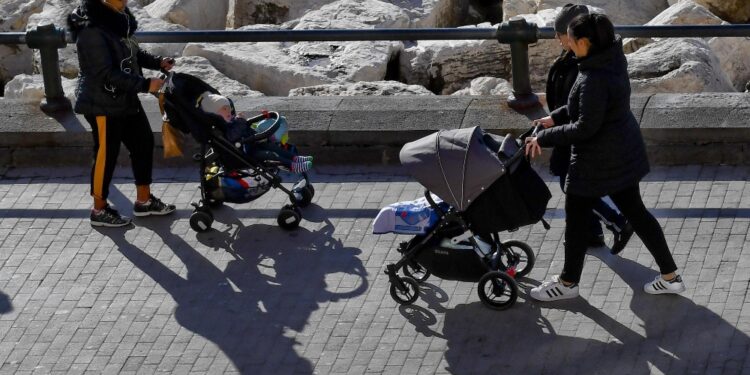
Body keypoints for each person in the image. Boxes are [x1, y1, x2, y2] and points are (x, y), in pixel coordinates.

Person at [524, 13, 686, 301]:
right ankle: (670, 276)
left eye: (572, 41)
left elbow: (586, 126)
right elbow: (587, 108)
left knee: (575, 221)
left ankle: (567, 283)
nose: (568, 45)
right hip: (622, 151)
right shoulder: (610, 59)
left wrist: (543, 137)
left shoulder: (592, 77)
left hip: (595, 161)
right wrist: (554, 117)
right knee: (637, 213)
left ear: (585, 42)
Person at [68, 0, 176, 227]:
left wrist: (158, 62)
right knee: (106, 155)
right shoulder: (91, 30)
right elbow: (105, 73)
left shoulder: (118, 16)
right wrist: (146, 85)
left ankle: (144, 201)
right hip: (102, 102)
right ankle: (98, 209)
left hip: (125, 97)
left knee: (144, 143)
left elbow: (133, 52)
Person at [546, 4, 633, 253]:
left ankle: (616, 221)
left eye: (560, 34)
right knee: (575, 187)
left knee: (573, 187)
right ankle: (592, 231)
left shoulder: (586, 68)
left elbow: (580, 111)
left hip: (577, 139)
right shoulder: (573, 60)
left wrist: (551, 130)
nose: (557, 39)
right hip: (569, 134)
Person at [197, 92, 314, 173]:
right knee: (271, 155)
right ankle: (293, 166)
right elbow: (233, 136)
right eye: (224, 109)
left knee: (273, 146)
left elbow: (241, 129)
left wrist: (243, 122)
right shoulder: (223, 128)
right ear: (216, 114)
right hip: (246, 154)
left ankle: (295, 158)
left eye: (228, 108)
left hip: (252, 144)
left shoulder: (230, 121)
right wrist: (241, 122)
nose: (229, 111)